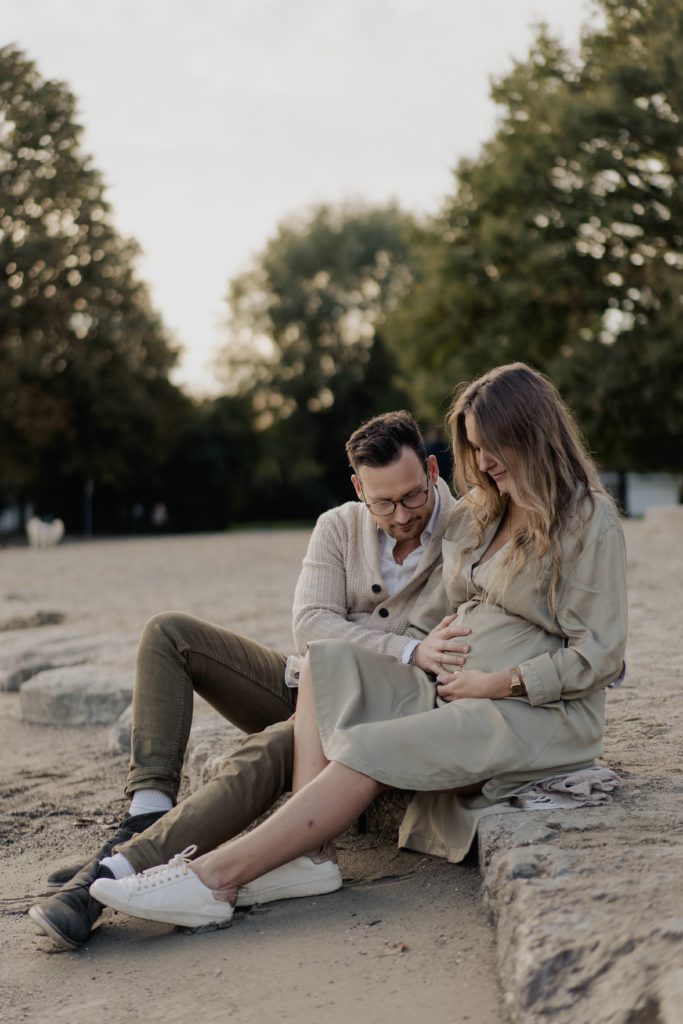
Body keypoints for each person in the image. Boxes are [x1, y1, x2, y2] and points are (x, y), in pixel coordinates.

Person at [82, 362, 628, 934]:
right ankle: (309, 859)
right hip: (449, 687)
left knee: (368, 745)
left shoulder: (587, 521)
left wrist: (501, 681)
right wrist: (424, 645)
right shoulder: (482, 511)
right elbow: (428, 613)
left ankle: (212, 880)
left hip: (529, 714)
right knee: (326, 657)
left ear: (532, 436)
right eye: (475, 448)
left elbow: (602, 656)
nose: (484, 462)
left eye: (494, 447)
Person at [29, 410, 470, 949]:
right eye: (382, 503)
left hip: (372, 716)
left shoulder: (464, 529)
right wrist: (408, 647)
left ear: (430, 470)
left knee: (265, 750)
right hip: (306, 685)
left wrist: (357, 639)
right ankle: (146, 816)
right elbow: (311, 626)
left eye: (411, 498)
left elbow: (386, 638)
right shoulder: (338, 525)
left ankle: (100, 883)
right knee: (170, 633)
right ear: (358, 487)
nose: (400, 516)